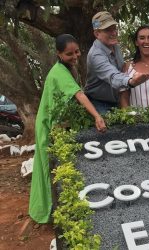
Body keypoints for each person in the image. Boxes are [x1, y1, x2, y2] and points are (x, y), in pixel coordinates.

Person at [29, 34, 107, 223]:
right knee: (49, 168)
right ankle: (47, 213)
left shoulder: (69, 68)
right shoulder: (59, 72)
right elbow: (79, 95)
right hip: (48, 125)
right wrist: (97, 116)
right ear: (58, 53)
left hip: (57, 124)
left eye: (77, 52)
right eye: (69, 54)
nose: (75, 56)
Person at [85, 11, 149, 114]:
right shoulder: (95, 55)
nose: (114, 33)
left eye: (114, 28)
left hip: (116, 100)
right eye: (107, 30)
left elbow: (120, 68)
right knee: (108, 129)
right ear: (97, 34)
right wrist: (130, 81)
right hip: (99, 103)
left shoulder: (115, 45)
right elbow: (113, 76)